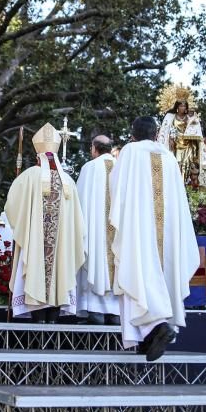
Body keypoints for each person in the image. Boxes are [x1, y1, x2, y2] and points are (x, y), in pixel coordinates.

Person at [110, 116, 200, 361]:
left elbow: (116, 185)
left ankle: (155, 328)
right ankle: (149, 337)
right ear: (156, 133)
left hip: (138, 229)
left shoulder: (129, 151)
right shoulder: (169, 158)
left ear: (133, 134)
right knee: (158, 273)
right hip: (167, 233)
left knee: (134, 273)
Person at [5, 123, 85, 324]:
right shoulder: (68, 181)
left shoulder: (28, 176)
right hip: (61, 247)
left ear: (37, 157)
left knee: (36, 270)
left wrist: (22, 226)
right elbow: (77, 220)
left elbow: (11, 207)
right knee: (59, 272)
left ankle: (39, 320)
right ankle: (52, 320)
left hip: (35, 243)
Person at [75, 134, 120, 325]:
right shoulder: (123, 168)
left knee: (95, 263)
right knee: (117, 266)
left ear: (94, 148)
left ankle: (95, 312)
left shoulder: (89, 168)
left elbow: (79, 204)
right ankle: (116, 313)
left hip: (95, 235)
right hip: (118, 235)